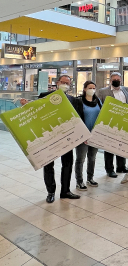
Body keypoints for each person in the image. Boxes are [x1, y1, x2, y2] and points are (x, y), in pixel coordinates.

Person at [20, 75, 83, 203]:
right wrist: (26, 106)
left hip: (66, 137)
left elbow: (78, 119)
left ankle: (65, 191)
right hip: (49, 137)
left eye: (67, 83)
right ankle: (50, 192)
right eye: (63, 82)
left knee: (67, 164)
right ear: (57, 83)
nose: (65, 85)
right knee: (49, 165)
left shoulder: (73, 100)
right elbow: (35, 113)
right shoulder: (45, 95)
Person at [96, 72, 128, 177]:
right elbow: (99, 105)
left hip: (124, 121)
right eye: (114, 79)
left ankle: (121, 167)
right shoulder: (103, 91)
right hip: (110, 122)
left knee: (122, 145)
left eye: (118, 79)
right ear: (110, 81)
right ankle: (109, 169)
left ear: (121, 80)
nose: (116, 81)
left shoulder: (126, 90)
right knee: (109, 146)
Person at [75, 81, 102, 190]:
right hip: (83, 135)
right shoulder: (79, 101)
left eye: (94, 88)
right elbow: (76, 118)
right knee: (80, 159)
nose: (92, 89)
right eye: (90, 87)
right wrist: (83, 134)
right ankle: (79, 181)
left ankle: (90, 178)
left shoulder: (98, 101)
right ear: (85, 89)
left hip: (95, 135)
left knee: (92, 158)